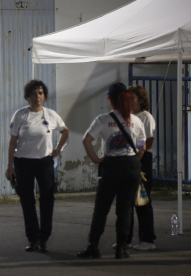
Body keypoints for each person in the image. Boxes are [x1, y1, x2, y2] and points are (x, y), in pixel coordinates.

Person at [77, 82, 146, 259]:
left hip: (111, 167)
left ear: (110, 99)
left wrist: (96, 159)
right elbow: (142, 146)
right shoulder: (136, 120)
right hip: (130, 167)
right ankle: (121, 249)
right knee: (125, 209)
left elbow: (86, 140)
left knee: (101, 209)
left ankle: (93, 247)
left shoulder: (103, 119)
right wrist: (133, 161)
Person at [5, 79, 69, 252]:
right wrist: (9, 166)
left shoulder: (50, 115)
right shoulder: (20, 115)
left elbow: (65, 131)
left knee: (47, 199)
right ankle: (33, 239)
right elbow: (12, 142)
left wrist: (58, 149)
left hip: (44, 162)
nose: (37, 96)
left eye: (40, 93)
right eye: (34, 93)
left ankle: (44, 238)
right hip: (23, 163)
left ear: (44, 95)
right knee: (27, 201)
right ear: (28, 96)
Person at [128, 85, 157, 250]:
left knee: (142, 200)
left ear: (140, 100)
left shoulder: (146, 117)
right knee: (127, 201)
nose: (129, 101)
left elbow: (148, 140)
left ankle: (147, 240)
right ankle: (126, 239)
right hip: (128, 158)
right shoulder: (126, 116)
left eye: (132, 98)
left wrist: (138, 153)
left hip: (141, 159)